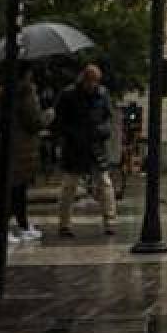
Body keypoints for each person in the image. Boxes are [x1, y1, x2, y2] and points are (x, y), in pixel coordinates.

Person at [55, 64, 117, 236]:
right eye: (90, 81)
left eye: (95, 82)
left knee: (105, 184)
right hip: (75, 146)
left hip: (95, 144)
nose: (92, 85)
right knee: (69, 186)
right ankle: (64, 224)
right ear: (83, 79)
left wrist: (103, 131)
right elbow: (60, 121)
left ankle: (110, 222)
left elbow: (108, 118)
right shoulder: (68, 95)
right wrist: (72, 135)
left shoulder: (102, 94)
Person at [5, 62, 48, 242]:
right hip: (23, 146)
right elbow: (34, 120)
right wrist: (49, 114)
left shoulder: (8, 90)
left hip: (13, 144)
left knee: (17, 188)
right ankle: (11, 227)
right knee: (16, 188)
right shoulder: (27, 91)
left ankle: (22, 225)